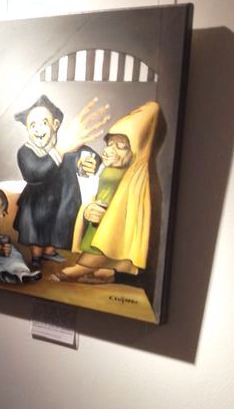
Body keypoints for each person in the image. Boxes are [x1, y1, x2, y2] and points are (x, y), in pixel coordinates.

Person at [51, 101, 160, 284]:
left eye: (121, 146)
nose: (110, 150)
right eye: (110, 144)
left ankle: (85, 268)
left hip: (109, 224)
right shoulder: (107, 169)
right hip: (97, 219)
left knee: (105, 243)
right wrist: (88, 210)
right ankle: (103, 271)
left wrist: (109, 217)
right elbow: (93, 185)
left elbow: (127, 213)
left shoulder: (134, 179)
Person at [12, 95, 108, 270]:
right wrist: (61, 151)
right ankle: (36, 257)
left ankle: (50, 251)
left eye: (43, 123)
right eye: (32, 125)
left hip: (61, 200)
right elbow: (34, 172)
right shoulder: (26, 151)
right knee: (37, 229)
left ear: (55, 125)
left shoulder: (68, 147)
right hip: (36, 201)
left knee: (58, 225)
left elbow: (88, 156)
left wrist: (89, 162)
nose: (38, 129)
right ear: (27, 129)